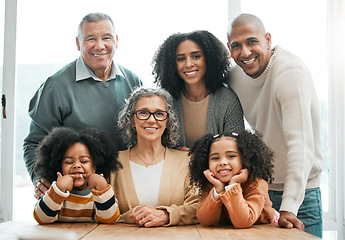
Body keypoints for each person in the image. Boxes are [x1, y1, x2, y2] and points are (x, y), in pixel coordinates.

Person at [23, 12, 142, 200]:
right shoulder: (56, 86)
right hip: (74, 199)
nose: (100, 45)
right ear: (78, 43)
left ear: (116, 41)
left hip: (123, 195)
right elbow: (33, 142)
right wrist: (39, 178)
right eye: (91, 39)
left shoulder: (133, 81)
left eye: (106, 38)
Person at [227, 13, 323, 238]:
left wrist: (289, 206)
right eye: (236, 46)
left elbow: (300, 145)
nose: (245, 52)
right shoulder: (234, 76)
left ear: (268, 40)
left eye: (252, 41)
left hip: (302, 196)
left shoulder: (289, 72)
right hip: (262, 191)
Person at [110, 87, 199, 227]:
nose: (152, 120)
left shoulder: (187, 160)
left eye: (159, 114)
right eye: (143, 113)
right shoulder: (112, 163)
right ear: (132, 120)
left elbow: (198, 206)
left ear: (167, 121)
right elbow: (101, 211)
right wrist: (134, 215)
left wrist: (166, 215)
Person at [152, 30, 244, 150]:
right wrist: (173, 153)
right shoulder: (166, 101)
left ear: (209, 59)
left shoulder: (227, 100)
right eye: (180, 59)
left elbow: (236, 150)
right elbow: (155, 146)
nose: (188, 64)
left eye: (196, 56)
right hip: (174, 168)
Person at [189, 130, 278, 228]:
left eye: (231, 156)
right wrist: (218, 189)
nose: (222, 162)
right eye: (215, 158)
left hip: (264, 231)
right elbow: (205, 221)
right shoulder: (211, 184)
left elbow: (243, 221)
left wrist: (233, 185)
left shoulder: (257, 184)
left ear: (245, 159)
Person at [33, 127, 122, 224]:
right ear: (59, 167)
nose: (76, 165)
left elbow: (110, 219)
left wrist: (102, 188)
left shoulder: (98, 195)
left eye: (84, 161)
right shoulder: (55, 192)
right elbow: (41, 218)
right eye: (69, 162)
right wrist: (58, 190)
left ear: (94, 168)